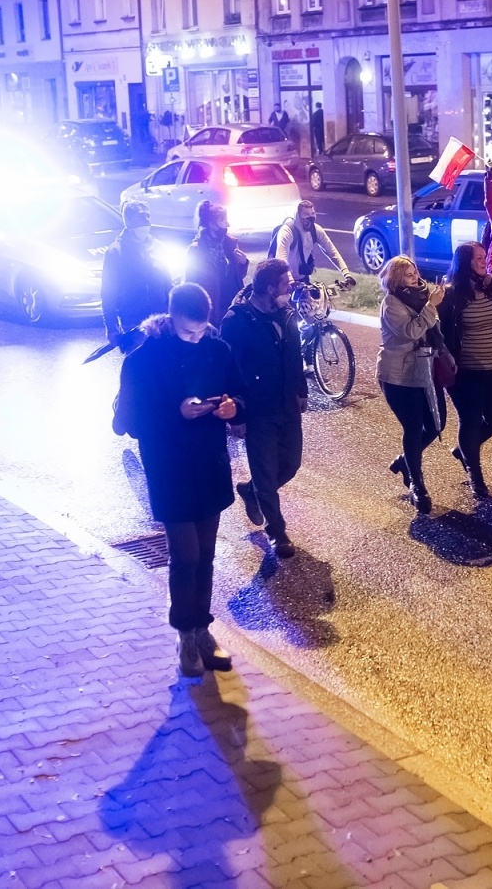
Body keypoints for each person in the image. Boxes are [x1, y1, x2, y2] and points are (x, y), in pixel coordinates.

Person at [114, 283, 245, 678]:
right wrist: (177, 413)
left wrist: (230, 407)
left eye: (202, 330)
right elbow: (129, 424)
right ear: (171, 319)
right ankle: (184, 633)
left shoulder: (217, 349)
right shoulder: (143, 360)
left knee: (206, 554)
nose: (196, 338)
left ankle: (202, 629)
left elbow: (241, 395)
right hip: (169, 466)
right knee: (185, 555)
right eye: (188, 332)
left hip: (209, 464)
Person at [220, 259, 305, 560]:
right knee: (266, 472)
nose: (290, 287)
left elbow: (295, 355)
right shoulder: (237, 321)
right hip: (256, 409)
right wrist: (237, 416)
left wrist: (301, 391)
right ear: (270, 288)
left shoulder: (285, 313)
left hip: (287, 403)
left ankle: (251, 490)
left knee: (291, 464)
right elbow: (227, 370)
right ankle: (277, 531)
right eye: (285, 284)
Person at [439, 242, 492, 498]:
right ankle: (475, 475)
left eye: (484, 257)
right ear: (464, 262)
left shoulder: (491, 289)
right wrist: (447, 356)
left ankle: (465, 450)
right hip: (465, 372)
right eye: (477, 258)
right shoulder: (451, 295)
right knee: (471, 420)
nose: (482, 262)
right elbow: (441, 332)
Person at [377, 255, 446, 514]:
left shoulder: (422, 296)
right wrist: (432, 306)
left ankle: (406, 462)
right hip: (399, 376)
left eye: (415, 272)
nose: (415, 277)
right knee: (414, 427)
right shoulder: (391, 303)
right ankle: (417, 485)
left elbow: (433, 331)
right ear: (396, 279)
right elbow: (411, 331)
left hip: (426, 369)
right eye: (408, 275)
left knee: (437, 423)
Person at [100, 201, 172, 351]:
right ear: (129, 220)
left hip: (160, 319)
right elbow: (108, 293)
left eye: (148, 215)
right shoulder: (116, 252)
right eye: (141, 216)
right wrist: (112, 328)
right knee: (138, 369)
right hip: (132, 321)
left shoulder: (158, 247)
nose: (146, 220)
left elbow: (168, 284)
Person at [184, 200, 249, 328]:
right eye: (223, 221)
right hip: (213, 308)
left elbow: (238, 276)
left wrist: (243, 263)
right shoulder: (196, 250)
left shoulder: (230, 243)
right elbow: (191, 282)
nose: (227, 224)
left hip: (233, 304)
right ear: (211, 224)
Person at [274, 200, 353, 284]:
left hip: (303, 278)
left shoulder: (316, 230)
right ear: (298, 216)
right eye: (306, 214)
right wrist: (290, 280)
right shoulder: (287, 231)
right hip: (283, 280)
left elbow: (332, 252)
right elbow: (281, 261)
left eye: (313, 213)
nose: (311, 217)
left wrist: (347, 274)